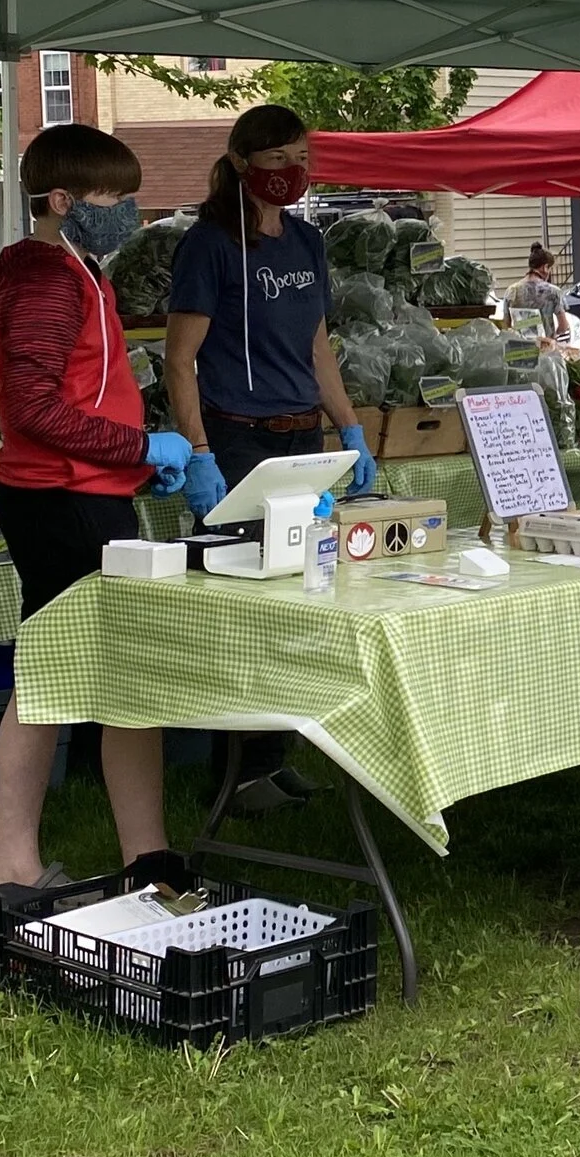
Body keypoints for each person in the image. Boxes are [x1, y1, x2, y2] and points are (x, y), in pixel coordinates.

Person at [0, 124, 193, 890]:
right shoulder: (44, 279)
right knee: (78, 677)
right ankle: (28, 864)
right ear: (63, 200)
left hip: (78, 493)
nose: (128, 211)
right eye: (114, 196)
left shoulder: (73, 268)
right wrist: (140, 449)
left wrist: (134, 464)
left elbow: (74, 393)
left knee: (88, 674)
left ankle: (136, 856)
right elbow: (36, 407)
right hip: (61, 501)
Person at [163, 103, 375, 810]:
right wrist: (199, 449)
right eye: (279, 158)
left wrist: (349, 430)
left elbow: (318, 347)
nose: (294, 171)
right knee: (241, 606)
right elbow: (180, 358)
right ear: (245, 161)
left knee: (298, 598)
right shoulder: (210, 245)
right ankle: (234, 772)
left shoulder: (308, 242)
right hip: (236, 436)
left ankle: (273, 756)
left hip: (301, 437)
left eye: (301, 158)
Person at [504, 242, 572, 343]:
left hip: (520, 350)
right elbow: (563, 326)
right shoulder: (553, 292)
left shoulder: (511, 291)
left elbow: (506, 326)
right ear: (545, 267)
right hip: (545, 349)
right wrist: (553, 337)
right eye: (550, 268)